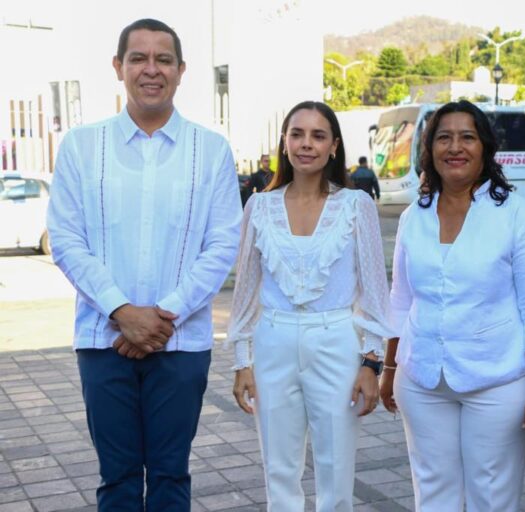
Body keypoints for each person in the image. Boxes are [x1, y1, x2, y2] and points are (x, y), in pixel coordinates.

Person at [46, 19, 242, 511]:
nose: (150, 70)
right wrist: (122, 312)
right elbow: (67, 240)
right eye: (139, 58)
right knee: (117, 480)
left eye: (163, 59)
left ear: (180, 71)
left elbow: (222, 245)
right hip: (102, 340)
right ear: (118, 67)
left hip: (181, 343)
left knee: (172, 475)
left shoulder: (211, 150)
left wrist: (161, 317)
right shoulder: (82, 146)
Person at [380, 100, 525, 511]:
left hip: (497, 383)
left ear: (485, 148)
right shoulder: (414, 216)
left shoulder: (520, 216)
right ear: (430, 150)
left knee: (491, 498)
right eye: (444, 137)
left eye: (467, 137)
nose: (454, 147)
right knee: (434, 496)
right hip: (422, 378)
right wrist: (389, 369)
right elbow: (400, 299)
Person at [227, 101, 394, 511]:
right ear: (284, 143)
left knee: (336, 471)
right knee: (278, 471)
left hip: (336, 339)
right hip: (272, 342)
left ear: (334, 146)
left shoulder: (357, 206)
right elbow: (246, 289)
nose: (306, 144)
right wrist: (240, 361)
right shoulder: (259, 207)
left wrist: (371, 364)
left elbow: (375, 292)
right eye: (297, 134)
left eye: (318, 136)